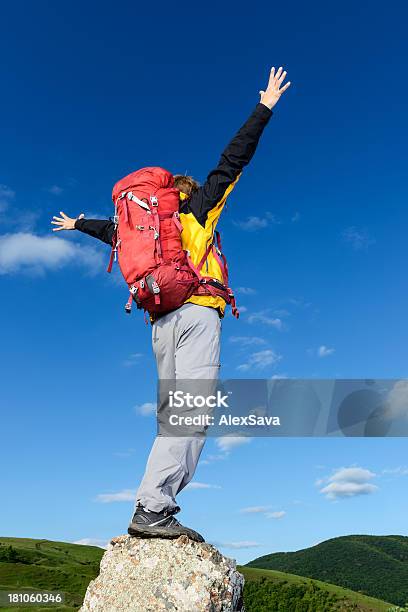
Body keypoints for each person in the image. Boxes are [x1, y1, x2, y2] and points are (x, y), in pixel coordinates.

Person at [51, 66, 291, 542]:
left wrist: (79, 223)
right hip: (198, 314)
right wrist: (264, 107)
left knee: (172, 416)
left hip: (160, 323)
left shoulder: (147, 231)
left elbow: (115, 233)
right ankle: (153, 506)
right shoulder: (198, 210)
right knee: (192, 414)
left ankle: (153, 503)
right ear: (183, 194)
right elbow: (232, 159)